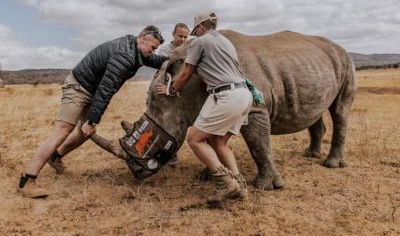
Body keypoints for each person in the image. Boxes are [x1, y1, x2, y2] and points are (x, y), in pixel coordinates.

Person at [18, 26, 168, 198]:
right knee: (63, 130)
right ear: (142, 38)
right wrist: (91, 121)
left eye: (155, 48)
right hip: (79, 87)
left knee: (82, 134)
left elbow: (157, 60)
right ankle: (27, 181)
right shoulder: (124, 55)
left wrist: (180, 60)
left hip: (92, 91)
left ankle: (56, 157)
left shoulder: (137, 50)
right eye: (152, 47)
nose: (153, 51)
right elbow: (106, 88)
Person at [156, 12, 253, 205]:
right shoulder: (226, 42)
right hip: (244, 94)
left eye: (195, 31)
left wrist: (170, 90)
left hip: (226, 96)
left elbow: (186, 73)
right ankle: (240, 185)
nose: (195, 34)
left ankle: (226, 183)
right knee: (219, 143)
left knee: (195, 139)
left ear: (200, 27)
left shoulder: (199, 42)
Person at [157, 23, 190, 166]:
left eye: (185, 37)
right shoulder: (165, 51)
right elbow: (163, 73)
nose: (182, 39)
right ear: (173, 34)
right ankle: (170, 155)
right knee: (167, 124)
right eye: (179, 36)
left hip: (183, 91)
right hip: (167, 90)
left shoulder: (189, 49)